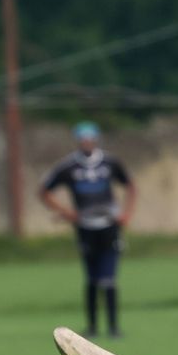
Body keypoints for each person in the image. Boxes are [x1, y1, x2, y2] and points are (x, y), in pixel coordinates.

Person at [39, 121, 137, 338]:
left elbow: (130, 185)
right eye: (83, 139)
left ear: (96, 140)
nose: (87, 143)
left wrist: (126, 214)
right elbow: (44, 190)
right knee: (92, 278)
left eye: (90, 139)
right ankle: (92, 327)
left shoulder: (110, 162)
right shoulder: (68, 166)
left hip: (109, 226)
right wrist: (66, 212)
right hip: (85, 228)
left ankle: (113, 327)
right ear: (78, 141)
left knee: (109, 278)